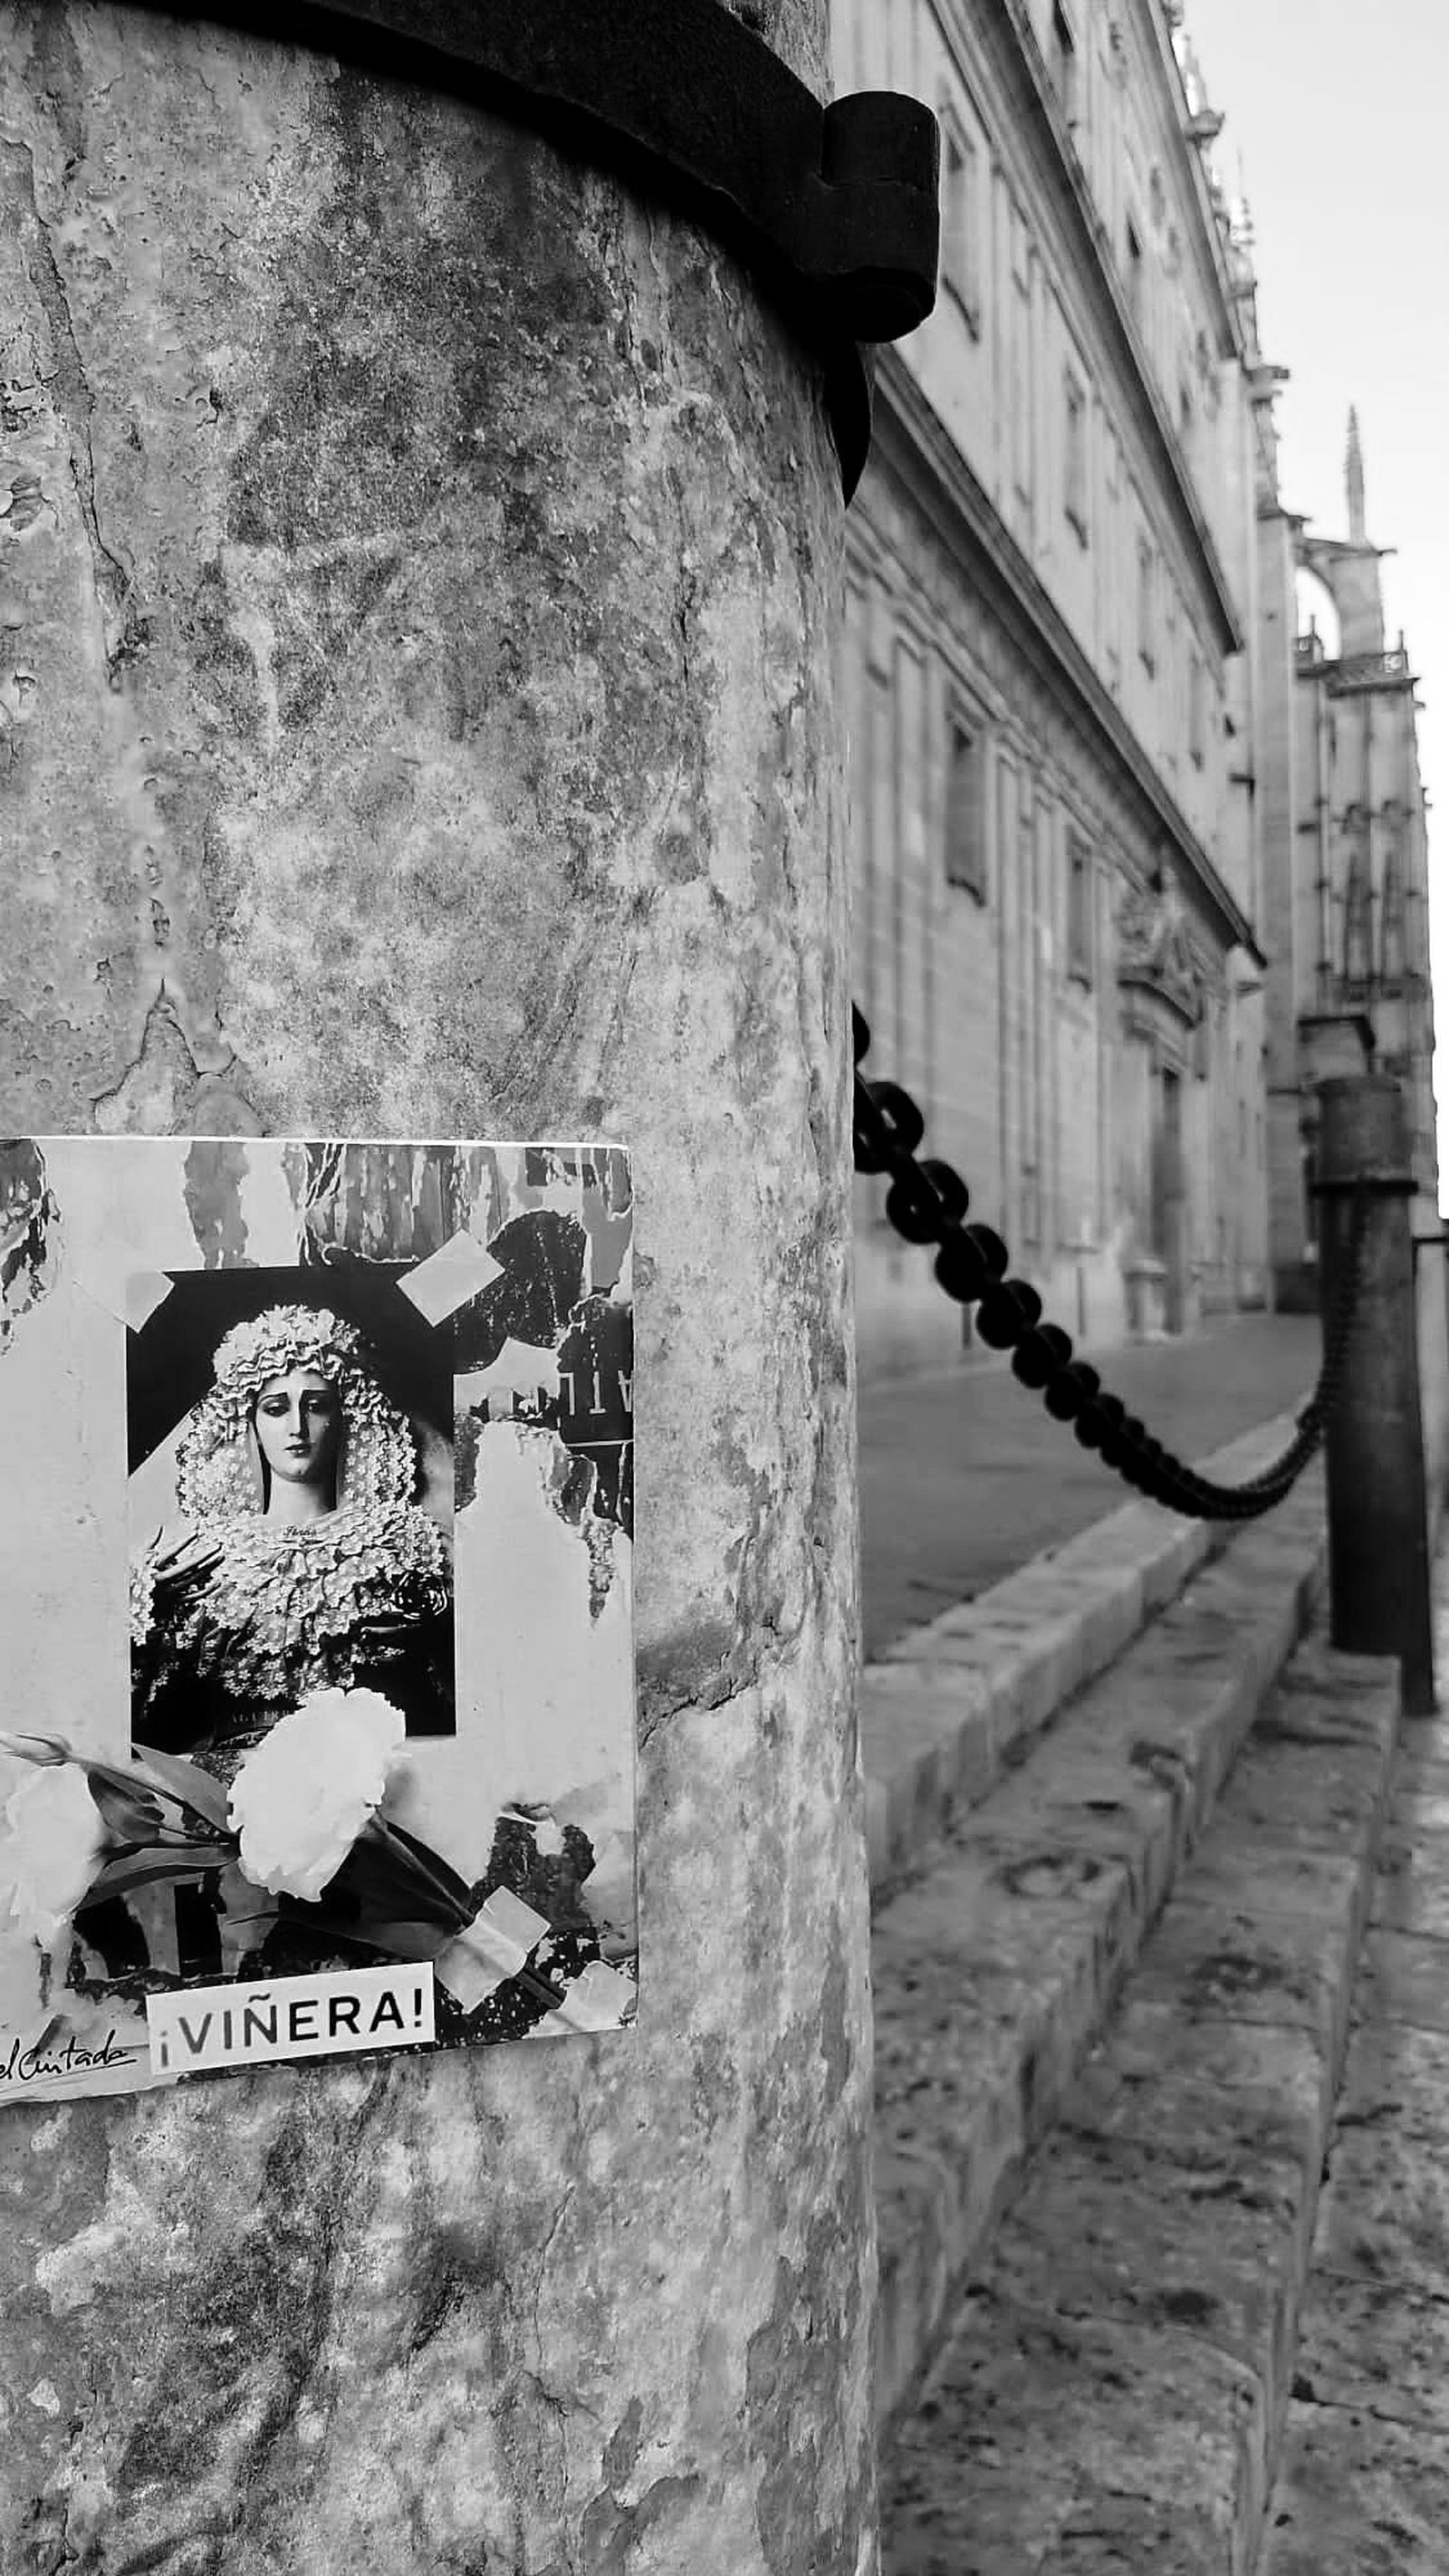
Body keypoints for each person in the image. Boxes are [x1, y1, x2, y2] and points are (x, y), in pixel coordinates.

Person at [129, 1302, 454, 1779]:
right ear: (251, 1426)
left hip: (368, 1780)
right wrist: (143, 1609)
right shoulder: (201, 1554)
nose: (297, 1427)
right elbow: (145, 1719)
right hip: (231, 1787)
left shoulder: (401, 1540)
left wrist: (433, 1629)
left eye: (316, 1406)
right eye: (276, 1409)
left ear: (346, 1417)